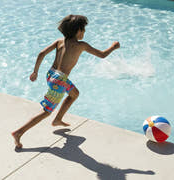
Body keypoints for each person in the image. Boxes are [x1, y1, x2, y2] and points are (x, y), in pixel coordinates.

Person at [12, 14, 120, 149]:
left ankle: (58, 119)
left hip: (51, 74)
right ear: (78, 31)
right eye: (84, 30)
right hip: (60, 81)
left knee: (74, 93)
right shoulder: (81, 45)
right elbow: (102, 55)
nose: (84, 32)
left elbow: (41, 54)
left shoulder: (59, 41)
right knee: (46, 111)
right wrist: (113, 47)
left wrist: (35, 72)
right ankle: (19, 132)